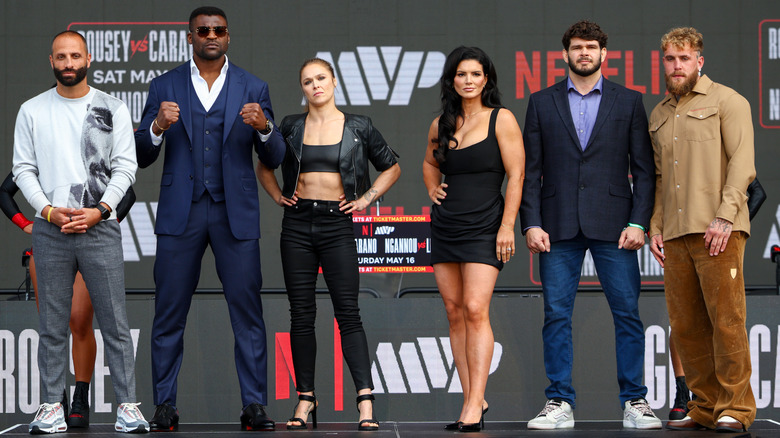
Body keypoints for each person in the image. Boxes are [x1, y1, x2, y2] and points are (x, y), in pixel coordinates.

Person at [134, 6, 285, 432]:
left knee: (248, 312)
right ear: (190, 36)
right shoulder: (163, 85)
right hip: (181, 212)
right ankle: (164, 404)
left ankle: (254, 404)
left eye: (218, 29)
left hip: (233, 212)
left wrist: (265, 127)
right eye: (203, 30)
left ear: (228, 36)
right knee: (168, 313)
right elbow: (143, 156)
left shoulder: (253, 86)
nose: (211, 35)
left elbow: (274, 157)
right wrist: (158, 127)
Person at [519, 20, 661, 430]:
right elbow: (531, 171)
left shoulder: (630, 100)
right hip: (557, 223)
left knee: (628, 314)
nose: (584, 53)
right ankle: (558, 401)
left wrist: (639, 221)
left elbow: (645, 172)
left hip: (617, 224)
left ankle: (635, 401)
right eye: (578, 47)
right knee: (556, 315)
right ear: (565, 54)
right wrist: (531, 223)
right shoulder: (541, 102)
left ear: (604, 54)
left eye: (592, 47)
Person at [12, 30, 148, 434]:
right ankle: (52, 405)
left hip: (99, 227)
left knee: (115, 323)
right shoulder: (31, 110)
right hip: (49, 230)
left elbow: (126, 168)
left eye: (75, 56)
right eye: (60, 57)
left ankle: (127, 406)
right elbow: (23, 170)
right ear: (50, 61)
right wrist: (49, 211)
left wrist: (100, 211)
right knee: (53, 325)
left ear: (88, 59)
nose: (68, 63)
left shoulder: (113, 107)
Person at [256, 58, 400, 431]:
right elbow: (264, 165)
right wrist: (277, 196)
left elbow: (392, 166)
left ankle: (365, 399)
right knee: (301, 315)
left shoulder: (358, 126)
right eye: (308, 81)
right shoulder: (289, 126)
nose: (315, 85)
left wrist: (366, 199)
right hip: (298, 224)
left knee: (347, 313)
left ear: (334, 81)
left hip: (337, 225)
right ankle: (305, 397)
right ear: (302, 88)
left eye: (321, 78)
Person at [648, 27, 757, 433]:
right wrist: (657, 226)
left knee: (726, 321)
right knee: (687, 326)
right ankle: (706, 406)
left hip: (719, 230)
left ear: (700, 60)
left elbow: (743, 163)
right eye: (670, 59)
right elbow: (660, 179)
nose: (677, 66)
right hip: (675, 234)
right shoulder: (659, 113)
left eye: (684, 58)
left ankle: (737, 408)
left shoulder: (729, 101)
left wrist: (726, 217)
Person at [422, 46, 524, 433]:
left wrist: (506, 226)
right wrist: (434, 189)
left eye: (476, 74)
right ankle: (472, 399)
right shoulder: (441, 123)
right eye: (461, 74)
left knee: (475, 307)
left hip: (486, 225)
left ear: (486, 79)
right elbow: (430, 162)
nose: (468, 81)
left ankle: (473, 407)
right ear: (452, 80)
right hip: (446, 225)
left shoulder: (502, 119)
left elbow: (516, 175)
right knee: (454, 311)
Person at [1, 171, 136, 429]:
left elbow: (127, 191)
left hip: (89, 239)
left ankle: (80, 398)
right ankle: (56, 400)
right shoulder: (43, 150)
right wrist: (25, 224)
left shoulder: (93, 155)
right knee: (53, 325)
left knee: (79, 321)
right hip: (50, 243)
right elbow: (6, 190)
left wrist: (107, 218)